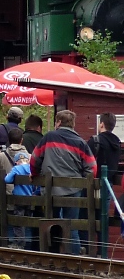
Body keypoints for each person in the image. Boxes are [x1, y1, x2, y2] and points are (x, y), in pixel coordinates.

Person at [30, 109, 95, 255]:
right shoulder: (80, 142)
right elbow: (92, 168)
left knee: (50, 224)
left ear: (58, 122)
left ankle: (52, 256)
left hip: (51, 189)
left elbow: (34, 159)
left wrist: (34, 174)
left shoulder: (49, 137)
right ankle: (74, 259)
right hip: (73, 190)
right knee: (72, 226)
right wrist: (83, 182)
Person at [5, 150, 35, 248]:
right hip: (30, 199)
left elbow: (7, 180)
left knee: (18, 222)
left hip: (19, 199)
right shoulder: (31, 169)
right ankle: (29, 243)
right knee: (28, 221)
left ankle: (19, 243)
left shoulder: (16, 168)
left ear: (17, 161)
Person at [0, 125, 28, 194]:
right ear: (22, 140)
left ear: (8, 140)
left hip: (7, 197)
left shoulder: (2, 156)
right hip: (26, 195)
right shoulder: (29, 157)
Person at [87, 112, 121, 186]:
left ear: (102, 124)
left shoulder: (95, 140)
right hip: (109, 183)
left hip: (95, 183)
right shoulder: (117, 142)